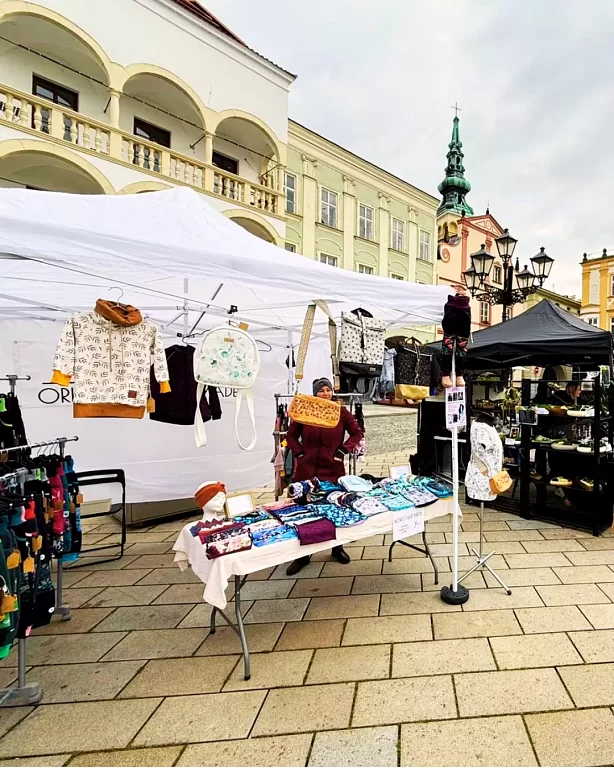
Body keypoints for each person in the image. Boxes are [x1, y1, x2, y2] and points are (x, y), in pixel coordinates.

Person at [285, 377, 364, 576]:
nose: (325, 394)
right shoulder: (305, 411)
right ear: (315, 393)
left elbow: (357, 433)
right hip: (307, 469)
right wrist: (299, 453)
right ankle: (303, 555)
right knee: (305, 511)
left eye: (328, 390)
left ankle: (337, 547)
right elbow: (291, 435)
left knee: (334, 508)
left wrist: (342, 450)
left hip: (332, 469)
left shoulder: (340, 412)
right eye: (321, 391)